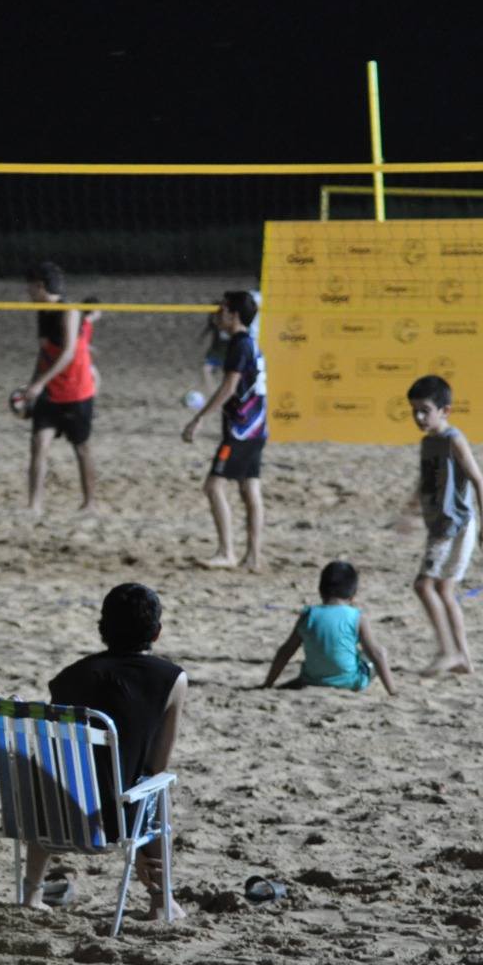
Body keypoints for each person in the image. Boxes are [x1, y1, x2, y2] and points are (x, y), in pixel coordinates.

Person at [23, 583, 186, 921]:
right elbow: (158, 766)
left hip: (55, 815)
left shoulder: (67, 678)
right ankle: (161, 899)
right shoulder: (172, 679)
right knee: (157, 785)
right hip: (118, 820)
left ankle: (31, 893)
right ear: (156, 632)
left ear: (102, 629)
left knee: (49, 776)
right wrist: (140, 842)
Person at [182, 290, 267, 570]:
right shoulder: (249, 343)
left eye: (222, 310)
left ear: (234, 314)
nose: (216, 314)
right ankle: (253, 556)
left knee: (213, 486)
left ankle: (226, 552)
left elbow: (229, 387)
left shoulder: (240, 345)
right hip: (256, 428)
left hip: (241, 430)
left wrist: (199, 418)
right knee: (249, 488)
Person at [406, 374, 483, 676]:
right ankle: (463, 657)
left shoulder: (453, 440)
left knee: (424, 585)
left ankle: (447, 650)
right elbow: (426, 482)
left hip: (455, 526)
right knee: (445, 589)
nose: (419, 417)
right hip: (439, 525)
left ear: (445, 411)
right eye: (414, 411)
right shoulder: (429, 443)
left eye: (425, 409)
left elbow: (478, 480)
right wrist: (410, 512)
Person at [22, 262, 99, 514]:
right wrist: (32, 386)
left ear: (40, 286)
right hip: (50, 392)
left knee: (81, 448)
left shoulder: (69, 311)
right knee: (38, 444)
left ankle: (89, 503)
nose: (28, 292)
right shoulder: (42, 312)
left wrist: (39, 383)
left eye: (30, 287)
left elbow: (67, 353)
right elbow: (44, 353)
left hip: (76, 391)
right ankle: (34, 504)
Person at [263, 561, 395, 694]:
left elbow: (286, 651)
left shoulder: (308, 614)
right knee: (375, 653)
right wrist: (392, 691)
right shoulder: (356, 617)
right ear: (353, 594)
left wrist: (268, 683)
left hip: (312, 680)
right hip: (350, 682)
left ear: (320, 590)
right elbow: (376, 654)